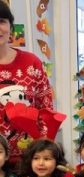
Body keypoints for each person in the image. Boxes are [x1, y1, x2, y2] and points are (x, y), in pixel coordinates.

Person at [0, 1, 53, 166]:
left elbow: (46, 110)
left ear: (10, 26)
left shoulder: (31, 63)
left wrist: (43, 150)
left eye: (2, 21)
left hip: (30, 160)